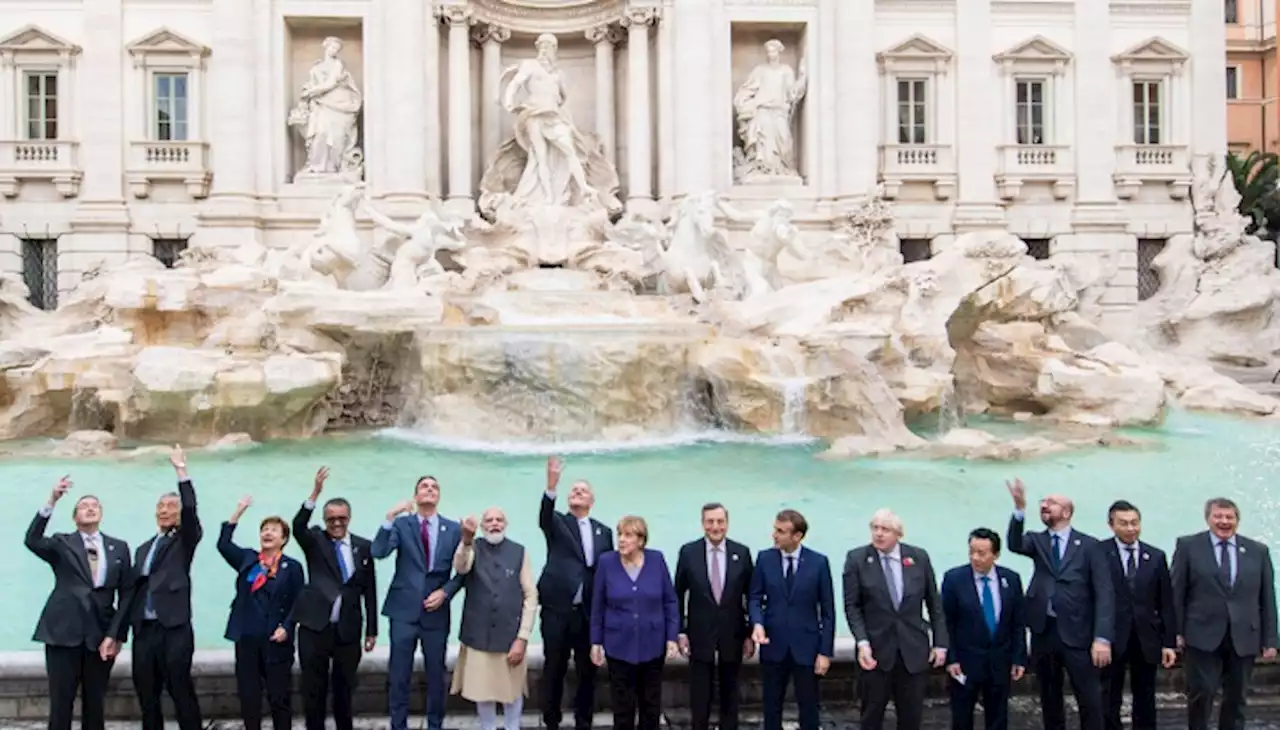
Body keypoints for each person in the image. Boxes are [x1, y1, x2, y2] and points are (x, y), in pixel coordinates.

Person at [106, 446, 203, 730]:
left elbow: (190, 508)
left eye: (170, 507)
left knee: (180, 688)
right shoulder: (142, 549)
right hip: (144, 630)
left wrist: (181, 472)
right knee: (146, 694)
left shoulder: (185, 540)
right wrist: (116, 634)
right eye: (160, 507)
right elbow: (131, 593)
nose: (164, 511)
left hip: (174, 627)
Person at [1005, 478, 1114, 730]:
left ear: (1066, 512)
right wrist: (1019, 509)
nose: (1044, 506)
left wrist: (1102, 638)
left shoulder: (1090, 545)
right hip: (1045, 631)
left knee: (1089, 698)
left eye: (1051, 503)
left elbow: (1105, 593)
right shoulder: (1036, 541)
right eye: (1042, 502)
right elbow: (1014, 544)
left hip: (1079, 633)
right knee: (1049, 697)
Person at [25, 476, 131, 730]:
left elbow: (127, 595)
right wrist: (52, 500)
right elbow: (32, 540)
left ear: (101, 514)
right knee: (61, 703)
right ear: (75, 517)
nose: (90, 508)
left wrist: (115, 635)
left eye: (95, 505)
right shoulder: (62, 543)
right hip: (63, 632)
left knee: (95, 704)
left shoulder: (119, 547)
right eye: (84, 506)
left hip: (100, 635)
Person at [1172, 497, 1278, 730]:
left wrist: (1270, 639)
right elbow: (1177, 593)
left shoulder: (1257, 551)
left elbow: (1267, 597)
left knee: (1237, 697)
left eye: (1229, 517)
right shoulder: (1188, 546)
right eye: (1218, 516)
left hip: (1244, 636)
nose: (1224, 521)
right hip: (1201, 634)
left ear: (1237, 520)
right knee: (1202, 693)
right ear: (1208, 518)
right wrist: (1175, 632)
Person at [372, 475, 464, 730]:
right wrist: (390, 516)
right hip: (403, 610)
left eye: (435, 486)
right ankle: (398, 725)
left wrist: (445, 592)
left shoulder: (454, 528)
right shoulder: (402, 525)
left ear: (439, 495)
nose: (430, 489)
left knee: (436, 675)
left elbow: (464, 571)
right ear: (416, 495)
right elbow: (379, 552)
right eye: (424, 486)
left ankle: (436, 725)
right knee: (398, 675)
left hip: (436, 613)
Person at [842, 508, 948, 730]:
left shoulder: (919, 557)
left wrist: (940, 643)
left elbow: (934, 603)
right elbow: (852, 606)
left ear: (898, 533)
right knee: (871, 717)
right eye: (875, 528)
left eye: (885, 529)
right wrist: (862, 642)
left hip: (912, 650)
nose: (879, 534)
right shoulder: (857, 559)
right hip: (876, 652)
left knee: (911, 719)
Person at [292, 467, 378, 730]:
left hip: (348, 630)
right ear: (325, 519)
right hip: (314, 629)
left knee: (344, 691)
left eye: (341, 518)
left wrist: (371, 630)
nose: (337, 523)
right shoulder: (315, 541)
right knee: (313, 692)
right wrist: (314, 493)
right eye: (331, 519)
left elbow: (370, 590)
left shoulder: (363, 546)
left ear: (349, 518)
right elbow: (297, 527)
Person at [538, 456, 613, 730]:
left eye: (583, 490)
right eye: (574, 490)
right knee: (553, 670)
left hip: (588, 613)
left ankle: (584, 722)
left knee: (587, 673)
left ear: (592, 500)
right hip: (558, 610)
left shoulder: (604, 531)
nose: (577, 492)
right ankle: (551, 722)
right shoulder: (557, 523)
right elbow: (544, 516)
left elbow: (606, 571)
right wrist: (552, 485)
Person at [217, 496, 304, 730]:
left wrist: (286, 627)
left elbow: (298, 602)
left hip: (276, 641)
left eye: (274, 530)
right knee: (249, 698)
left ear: (283, 539)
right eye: (265, 529)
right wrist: (238, 512)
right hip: (247, 638)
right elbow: (223, 544)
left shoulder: (292, 567)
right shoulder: (248, 558)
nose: (268, 533)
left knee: (279, 698)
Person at [589, 516, 680, 730]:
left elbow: (670, 600)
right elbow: (597, 606)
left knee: (651, 706)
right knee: (623, 709)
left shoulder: (657, 560)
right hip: (619, 646)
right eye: (620, 534)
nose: (621, 540)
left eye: (628, 535)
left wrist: (672, 637)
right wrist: (596, 642)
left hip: (652, 644)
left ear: (641, 540)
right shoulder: (606, 562)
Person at [451, 507, 538, 730]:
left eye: (499, 520)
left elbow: (530, 594)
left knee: (512, 692)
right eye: (489, 520)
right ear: (482, 526)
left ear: (506, 525)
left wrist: (523, 637)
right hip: (478, 635)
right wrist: (466, 540)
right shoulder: (471, 548)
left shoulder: (520, 551)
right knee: (483, 692)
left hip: (510, 636)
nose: (494, 523)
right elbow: (461, 567)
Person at [748, 509, 835, 730]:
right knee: (771, 707)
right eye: (775, 529)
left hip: (806, 648)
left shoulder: (819, 563)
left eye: (781, 531)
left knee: (809, 708)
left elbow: (827, 612)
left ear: (797, 536)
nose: (774, 535)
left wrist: (825, 652)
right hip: (774, 645)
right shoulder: (764, 558)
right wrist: (757, 623)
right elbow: (755, 597)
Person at [673, 502, 755, 730]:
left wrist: (750, 633)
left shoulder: (742, 552)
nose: (715, 526)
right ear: (703, 524)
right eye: (710, 521)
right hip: (699, 633)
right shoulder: (688, 552)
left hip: (733, 633)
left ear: (727, 523)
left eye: (720, 521)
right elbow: (677, 595)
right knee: (700, 694)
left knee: (731, 692)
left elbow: (751, 596)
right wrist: (680, 631)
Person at [940, 527, 1028, 730]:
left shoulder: (1011, 579)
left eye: (982, 553)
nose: (975, 558)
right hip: (965, 663)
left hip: (999, 662)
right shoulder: (954, 579)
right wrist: (952, 658)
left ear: (995, 554)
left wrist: (1018, 658)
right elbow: (946, 622)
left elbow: (1017, 622)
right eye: (972, 552)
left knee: (998, 718)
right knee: (962, 718)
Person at [1099, 500, 1176, 730]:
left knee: (1145, 696)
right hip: (1111, 637)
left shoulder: (1155, 556)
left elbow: (1166, 602)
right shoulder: (1098, 553)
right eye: (1123, 523)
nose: (1130, 528)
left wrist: (1168, 643)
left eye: (1134, 523)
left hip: (1146, 637)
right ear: (1111, 525)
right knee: (1108, 696)